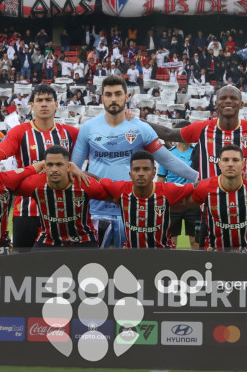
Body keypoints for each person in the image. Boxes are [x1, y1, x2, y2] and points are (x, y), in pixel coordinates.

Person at [71, 76, 198, 248]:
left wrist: (198, 178)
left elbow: (167, 159)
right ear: (102, 98)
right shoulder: (88, 128)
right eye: (108, 94)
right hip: (96, 209)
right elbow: (75, 169)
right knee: (97, 267)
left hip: (133, 208)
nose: (113, 99)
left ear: (127, 97)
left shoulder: (140, 127)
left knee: (133, 266)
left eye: (118, 94)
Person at [0, 84, 80, 249]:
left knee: (60, 268)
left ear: (57, 105)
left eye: (48, 100)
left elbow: (98, 154)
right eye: (39, 100)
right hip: (27, 211)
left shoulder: (71, 133)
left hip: (62, 212)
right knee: (24, 268)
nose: (44, 104)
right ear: (32, 106)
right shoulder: (19, 132)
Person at [146, 85, 247, 179]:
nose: (228, 100)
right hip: (209, 203)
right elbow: (168, 133)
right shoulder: (202, 128)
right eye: (223, 98)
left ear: (241, 104)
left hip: (243, 202)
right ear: (216, 104)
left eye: (233, 98)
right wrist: (136, 121)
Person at [186, 145, 247, 253]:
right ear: (219, 164)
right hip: (214, 252)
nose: (230, 164)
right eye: (225, 160)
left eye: (235, 160)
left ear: (243, 164)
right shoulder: (205, 187)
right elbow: (181, 203)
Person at [16, 145, 109, 249]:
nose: (54, 169)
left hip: (83, 240)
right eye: (50, 165)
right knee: (33, 264)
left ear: (69, 166)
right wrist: (35, 167)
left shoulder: (84, 183)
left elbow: (115, 196)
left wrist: (84, 173)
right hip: (48, 240)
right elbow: (6, 184)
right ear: (44, 166)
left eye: (59, 164)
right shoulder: (35, 184)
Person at [100, 151, 195, 249]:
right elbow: (98, 180)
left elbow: (197, 187)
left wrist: (212, 181)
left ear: (154, 173)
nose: (141, 173)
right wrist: (82, 172)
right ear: (130, 174)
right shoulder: (122, 189)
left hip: (163, 255)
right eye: (136, 169)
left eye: (146, 169)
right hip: (132, 254)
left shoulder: (167, 190)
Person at [157, 121, 199, 249]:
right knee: (172, 238)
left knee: (194, 239)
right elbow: (160, 179)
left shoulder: (198, 153)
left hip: (193, 200)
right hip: (173, 201)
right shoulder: (168, 154)